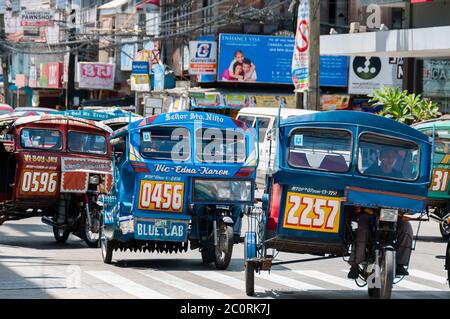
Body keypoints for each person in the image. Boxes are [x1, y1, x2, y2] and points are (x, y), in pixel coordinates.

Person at [348, 148, 414, 279]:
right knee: (362, 228)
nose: (390, 159)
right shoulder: (370, 172)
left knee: (407, 228)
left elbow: (404, 195)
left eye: (392, 157)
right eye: (387, 156)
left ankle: (400, 264)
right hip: (371, 213)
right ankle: (355, 264)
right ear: (381, 157)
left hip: (392, 214)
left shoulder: (399, 175)